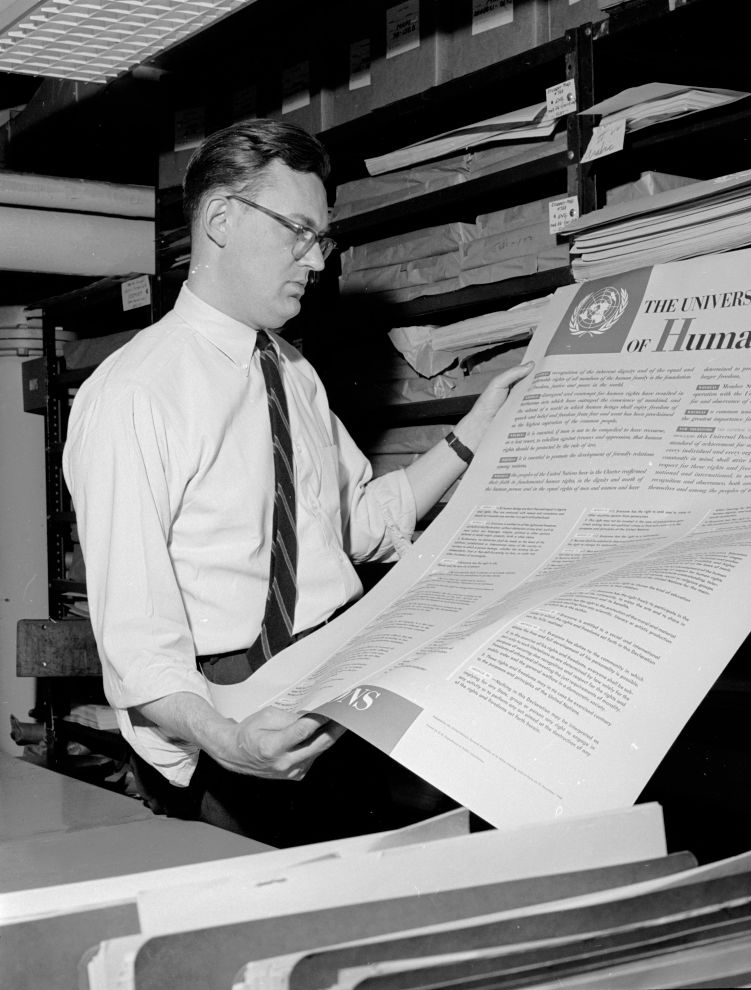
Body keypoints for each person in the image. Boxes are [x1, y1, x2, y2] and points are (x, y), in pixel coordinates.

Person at [63, 119, 532, 845]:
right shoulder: (134, 394)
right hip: (233, 731)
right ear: (221, 219)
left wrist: (472, 435)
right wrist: (227, 740)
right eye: (299, 231)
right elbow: (138, 639)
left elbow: (355, 525)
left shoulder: (293, 373)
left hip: (337, 693)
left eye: (323, 238)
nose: (316, 260)